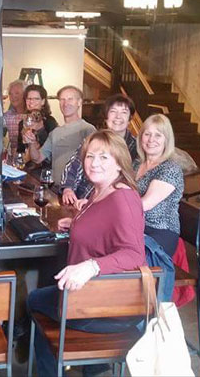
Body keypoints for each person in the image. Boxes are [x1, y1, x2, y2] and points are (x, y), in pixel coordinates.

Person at [27, 130, 146, 377]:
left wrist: (91, 266)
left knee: (32, 300)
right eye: (90, 156)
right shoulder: (99, 190)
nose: (94, 163)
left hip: (104, 306)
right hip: (88, 296)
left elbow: (134, 254)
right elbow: (102, 224)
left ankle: (61, 365)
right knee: (42, 305)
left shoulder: (123, 198)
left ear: (119, 162)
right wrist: (77, 225)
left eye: (103, 157)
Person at [60, 94, 139, 204]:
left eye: (124, 112)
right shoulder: (92, 140)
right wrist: (68, 189)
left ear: (130, 119)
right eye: (113, 111)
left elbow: (130, 182)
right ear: (106, 117)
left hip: (111, 205)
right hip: (78, 200)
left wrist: (93, 202)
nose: (118, 116)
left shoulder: (137, 148)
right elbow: (73, 166)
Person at [133, 114, 184, 257]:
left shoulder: (170, 169)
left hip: (159, 232)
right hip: (135, 225)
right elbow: (118, 191)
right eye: (147, 134)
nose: (151, 140)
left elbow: (144, 204)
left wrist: (107, 209)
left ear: (166, 140)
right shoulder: (137, 164)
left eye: (158, 135)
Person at [26, 86, 96, 187]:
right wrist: (32, 142)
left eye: (70, 99)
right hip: (56, 191)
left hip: (76, 193)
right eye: (62, 99)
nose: (65, 103)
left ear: (79, 102)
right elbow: (37, 158)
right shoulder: (55, 133)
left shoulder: (88, 130)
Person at [16, 84, 58, 154]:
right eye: (29, 99)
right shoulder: (22, 123)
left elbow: (54, 147)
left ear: (43, 101)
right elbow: (20, 149)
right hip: (27, 163)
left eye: (36, 99)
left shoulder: (49, 121)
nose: (31, 102)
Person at [3, 80, 26, 152]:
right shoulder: (8, 115)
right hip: (14, 158)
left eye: (17, 93)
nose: (13, 97)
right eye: (10, 94)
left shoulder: (32, 115)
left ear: (25, 94)